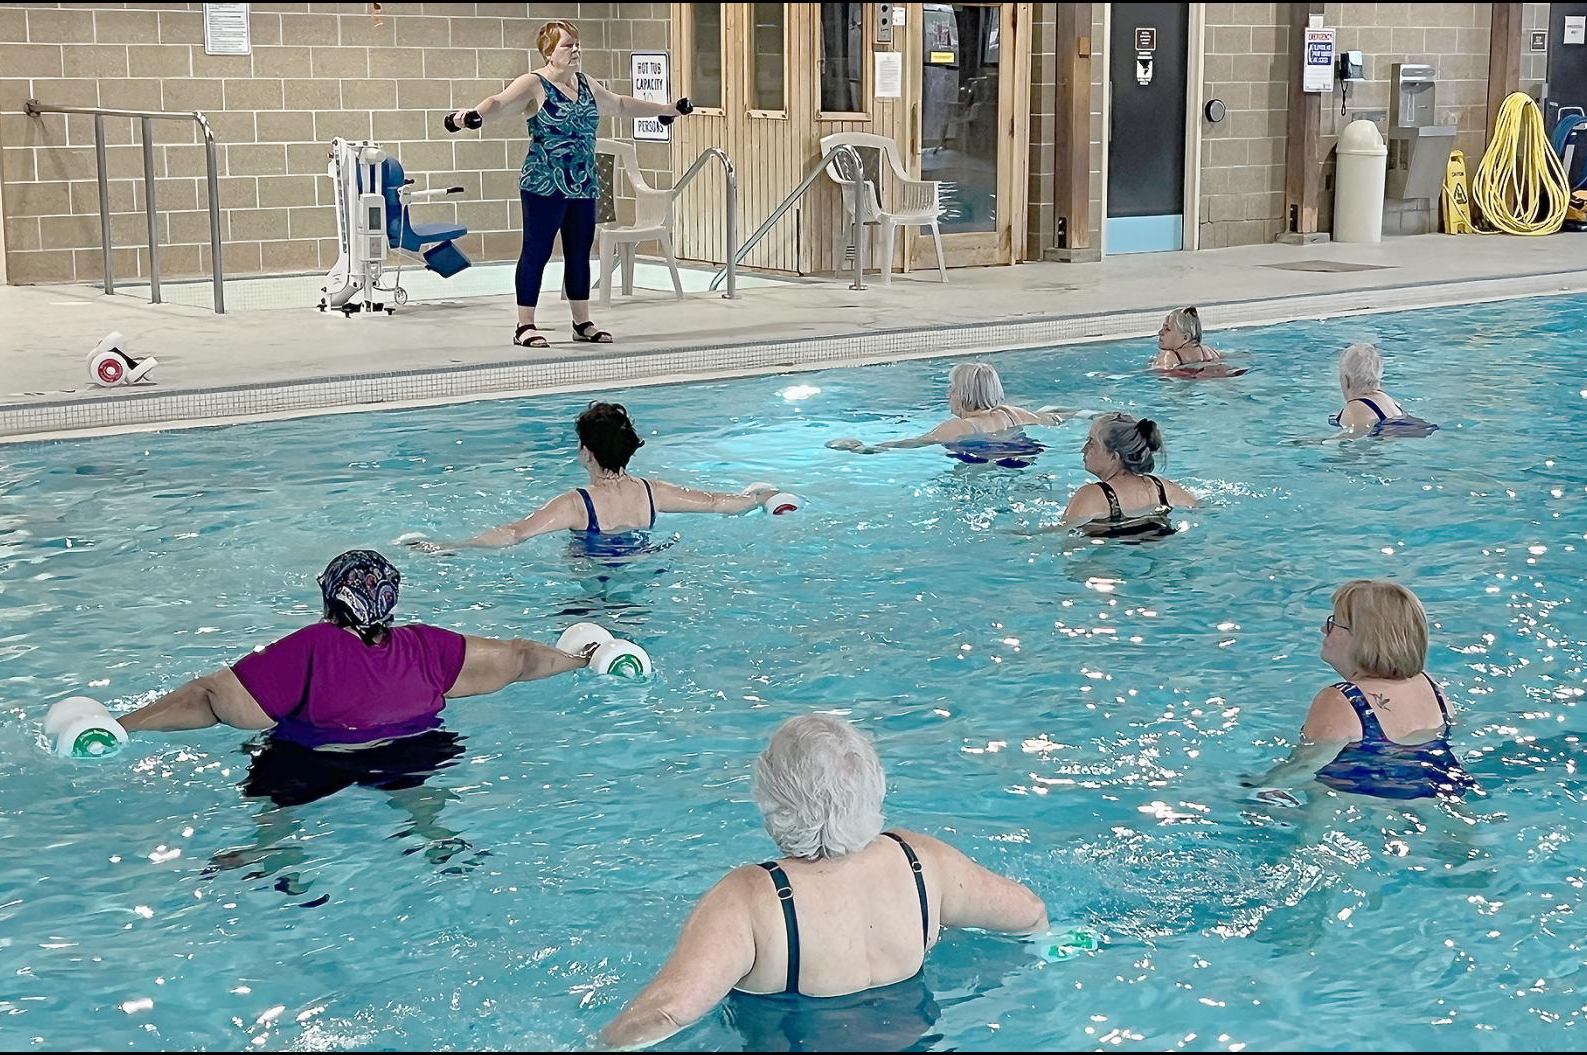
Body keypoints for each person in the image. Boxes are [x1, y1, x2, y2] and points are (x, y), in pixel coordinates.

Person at [593, 713, 1049, 1050]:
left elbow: (665, 1013)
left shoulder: (751, 899)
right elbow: (1030, 913)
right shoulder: (921, 863)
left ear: (772, 800)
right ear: (874, 785)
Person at [119, 550, 595, 808]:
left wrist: (124, 723)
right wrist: (580, 660)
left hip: (316, 758)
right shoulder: (427, 646)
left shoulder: (312, 647)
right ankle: (438, 841)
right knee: (418, 799)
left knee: (274, 801)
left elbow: (213, 700)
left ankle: (271, 852)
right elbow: (519, 659)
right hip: (414, 749)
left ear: (331, 600)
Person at [447, 20, 688, 349]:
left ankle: (582, 321)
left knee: (579, 253)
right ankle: (525, 325)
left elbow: (618, 104)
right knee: (537, 251)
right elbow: (498, 102)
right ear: (549, 52)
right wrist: (471, 115)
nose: (575, 50)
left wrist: (665, 110)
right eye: (567, 45)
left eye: (576, 44)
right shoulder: (534, 84)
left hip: (583, 185)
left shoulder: (586, 84)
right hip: (544, 185)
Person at [413, 402, 782, 556]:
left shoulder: (576, 504)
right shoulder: (652, 493)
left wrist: (452, 545)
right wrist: (760, 497)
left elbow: (515, 533)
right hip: (644, 572)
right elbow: (717, 503)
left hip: (593, 593)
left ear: (587, 453)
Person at [1247, 580, 1472, 801]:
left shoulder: (1340, 701)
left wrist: (1255, 788)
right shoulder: (1430, 686)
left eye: (1334, 622)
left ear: (1363, 638)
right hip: (1444, 792)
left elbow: (1303, 766)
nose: (1324, 629)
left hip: (1362, 801)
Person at [828, 362, 1069, 467]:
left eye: (951, 389)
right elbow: (1052, 419)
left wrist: (858, 447)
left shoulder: (958, 428)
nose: (948, 395)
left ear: (964, 394)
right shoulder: (1014, 414)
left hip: (979, 468)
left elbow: (911, 444)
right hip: (1022, 460)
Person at [1060, 413, 1199, 539]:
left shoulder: (1092, 495)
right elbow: (1201, 510)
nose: (1083, 449)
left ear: (1114, 457)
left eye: (1091, 443)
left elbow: (1059, 536)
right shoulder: (1163, 489)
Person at [1329, 343, 1437, 438]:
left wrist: (1321, 442)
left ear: (1346, 379)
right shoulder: (1386, 398)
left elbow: (1354, 439)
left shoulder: (1354, 408)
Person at [1150, 306, 1243, 378]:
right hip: (1223, 372)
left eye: (1167, 329)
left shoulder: (1169, 356)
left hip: (1203, 378)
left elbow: (1162, 377)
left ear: (1185, 337)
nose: (1160, 332)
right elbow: (1239, 355)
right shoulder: (1209, 351)